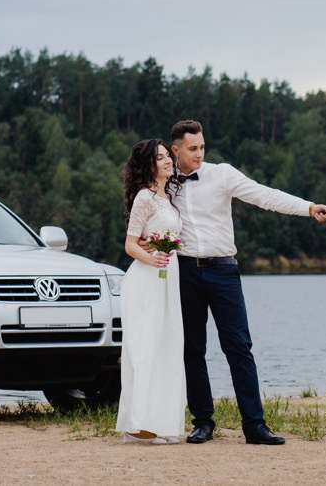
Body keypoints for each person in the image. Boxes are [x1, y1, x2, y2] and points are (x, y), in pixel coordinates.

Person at [167, 120, 326, 445]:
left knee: (239, 347)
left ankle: (254, 425)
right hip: (184, 272)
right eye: (192, 149)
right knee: (192, 349)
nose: (200, 154)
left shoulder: (223, 174)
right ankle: (202, 422)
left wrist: (309, 207)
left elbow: (264, 196)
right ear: (175, 150)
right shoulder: (166, 181)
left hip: (224, 271)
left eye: (202, 147)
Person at [115, 138, 186, 445]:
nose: (168, 160)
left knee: (167, 345)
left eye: (167, 155)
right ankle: (139, 425)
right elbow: (130, 244)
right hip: (146, 278)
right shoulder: (145, 198)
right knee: (145, 348)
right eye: (161, 157)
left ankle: (161, 422)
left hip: (167, 278)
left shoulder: (167, 198)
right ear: (149, 165)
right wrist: (153, 256)